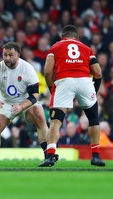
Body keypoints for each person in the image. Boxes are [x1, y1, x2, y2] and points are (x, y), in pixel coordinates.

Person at [39, 25, 105, 167]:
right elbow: (98, 73)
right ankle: (95, 156)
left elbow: (48, 71)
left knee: (56, 122)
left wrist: (52, 88)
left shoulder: (55, 47)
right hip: (85, 81)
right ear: (77, 37)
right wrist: (93, 90)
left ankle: (50, 156)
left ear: (63, 36)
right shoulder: (86, 48)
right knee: (93, 120)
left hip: (64, 81)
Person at [0, 42, 52, 166]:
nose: (7, 58)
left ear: (18, 55)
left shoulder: (27, 68)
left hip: (25, 101)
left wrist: (21, 106)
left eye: (11, 55)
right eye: (5, 55)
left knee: (40, 117)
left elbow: (35, 95)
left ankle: (48, 157)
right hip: (6, 103)